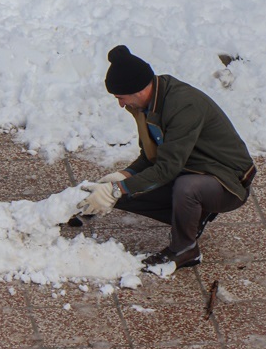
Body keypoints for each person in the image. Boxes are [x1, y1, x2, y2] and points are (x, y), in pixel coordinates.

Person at [77, 45, 256, 272]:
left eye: (120, 98)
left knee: (185, 188)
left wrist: (117, 189)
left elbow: (167, 169)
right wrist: (122, 177)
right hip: (191, 169)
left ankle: (185, 249)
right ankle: (80, 209)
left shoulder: (183, 105)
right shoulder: (150, 104)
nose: (121, 104)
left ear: (137, 90)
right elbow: (152, 158)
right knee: (125, 188)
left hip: (227, 182)